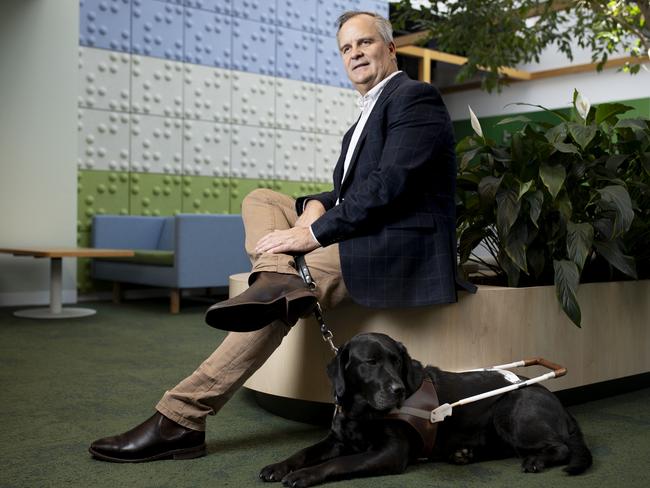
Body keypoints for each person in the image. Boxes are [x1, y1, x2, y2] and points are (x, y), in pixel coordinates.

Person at [89, 10, 474, 463]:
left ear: (390, 49)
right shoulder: (361, 122)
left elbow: (390, 185)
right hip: (361, 231)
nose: (355, 54)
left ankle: (180, 418)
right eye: (346, 49)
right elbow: (351, 190)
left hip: (390, 244)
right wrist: (315, 204)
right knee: (261, 199)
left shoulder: (415, 97)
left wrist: (311, 232)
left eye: (365, 43)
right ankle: (278, 280)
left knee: (283, 289)